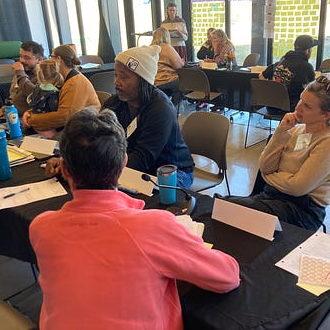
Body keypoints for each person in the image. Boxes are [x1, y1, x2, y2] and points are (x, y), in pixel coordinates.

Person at [30, 107, 239, 330]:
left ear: (65, 170)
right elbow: (228, 276)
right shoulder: (153, 227)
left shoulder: (41, 227)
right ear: (123, 165)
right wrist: (187, 239)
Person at [219, 75, 330, 231]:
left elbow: (298, 188)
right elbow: (265, 167)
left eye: (307, 106)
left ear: (327, 115)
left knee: (227, 209)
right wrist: (280, 131)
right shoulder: (296, 129)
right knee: (223, 207)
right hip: (272, 197)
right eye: (301, 99)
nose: (298, 108)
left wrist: (271, 177)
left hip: (302, 211)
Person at [104, 45, 194, 187]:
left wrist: (103, 172)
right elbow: (96, 140)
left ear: (143, 81)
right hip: (133, 166)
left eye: (124, 77)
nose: (116, 82)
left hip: (171, 171)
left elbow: (143, 157)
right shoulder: (115, 103)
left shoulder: (160, 109)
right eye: (115, 75)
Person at [21, 44, 100, 138]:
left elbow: (64, 117)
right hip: (72, 126)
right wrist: (30, 112)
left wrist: (32, 119)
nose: (49, 60)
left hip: (84, 128)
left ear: (58, 59)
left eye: (51, 57)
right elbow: (50, 105)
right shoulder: (63, 80)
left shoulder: (74, 82)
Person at [260, 35, 317, 112]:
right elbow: (313, 89)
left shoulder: (281, 62)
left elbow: (261, 76)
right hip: (291, 108)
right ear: (308, 51)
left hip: (271, 106)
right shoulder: (306, 67)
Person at [0, 41, 44, 118]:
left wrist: (20, 73)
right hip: (13, 116)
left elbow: (34, 96)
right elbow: (13, 97)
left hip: (28, 119)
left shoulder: (43, 76)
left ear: (39, 60)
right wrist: (3, 110)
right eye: (21, 56)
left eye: (27, 58)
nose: (22, 60)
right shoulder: (20, 73)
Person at [151, 27, 184, 102]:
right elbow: (179, 66)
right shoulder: (166, 47)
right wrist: (181, 61)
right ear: (167, 36)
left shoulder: (150, 48)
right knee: (185, 83)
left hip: (153, 82)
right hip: (165, 80)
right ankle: (172, 108)